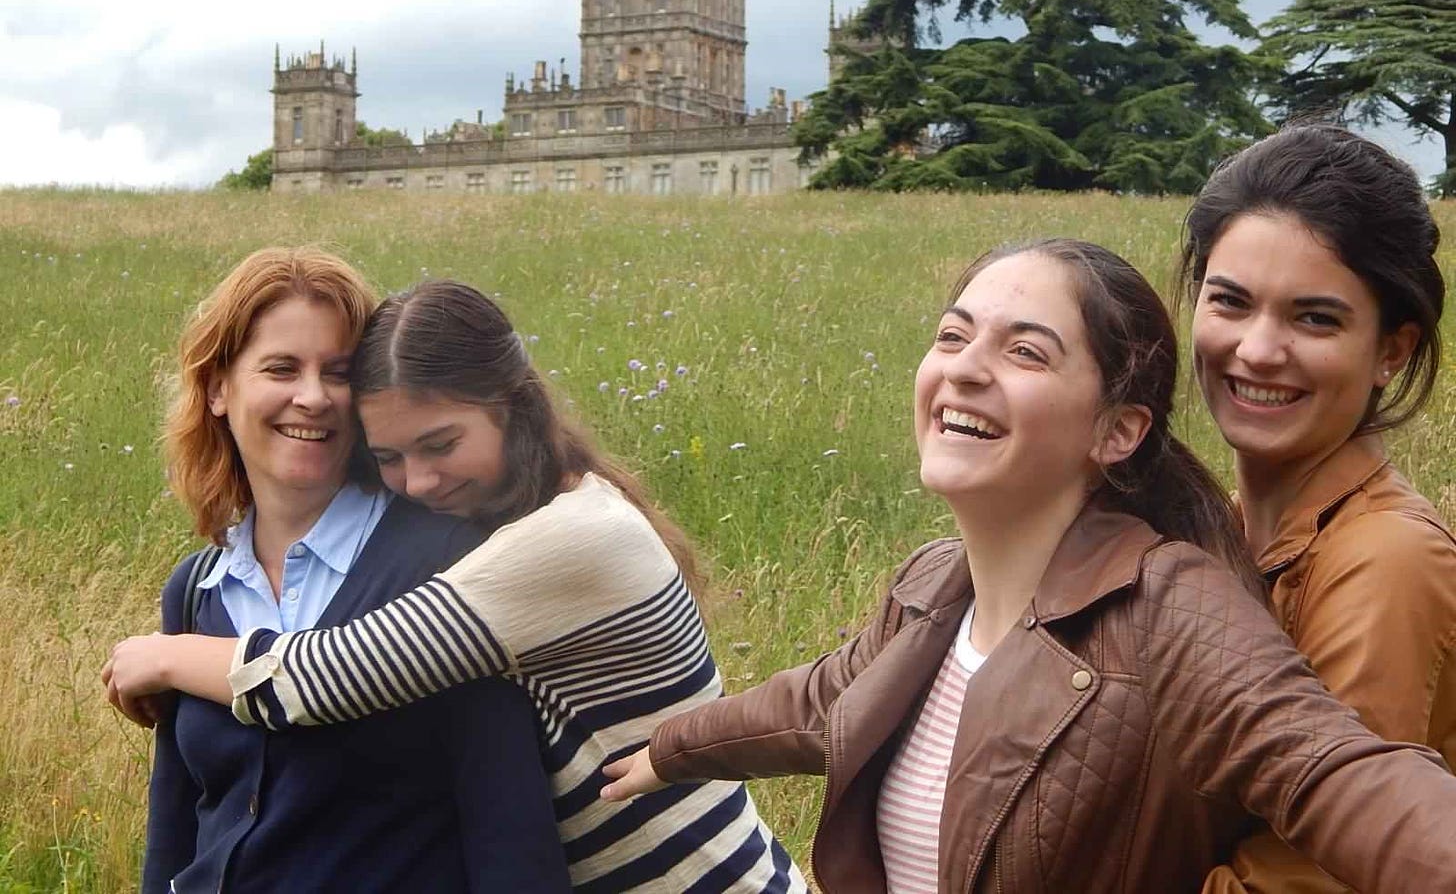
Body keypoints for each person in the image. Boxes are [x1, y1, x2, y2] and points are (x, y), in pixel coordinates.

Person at [598, 239, 1456, 893]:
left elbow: (1330, 768)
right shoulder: (934, 585)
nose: (965, 370)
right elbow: (829, 696)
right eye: (953, 336)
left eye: (1025, 352)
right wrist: (670, 750)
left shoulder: (1169, 599)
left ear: (1117, 430)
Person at [105, 279, 807, 893]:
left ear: (513, 404)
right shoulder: (200, 585)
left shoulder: (553, 542)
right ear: (217, 389)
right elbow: (183, 812)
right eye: (391, 457)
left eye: (440, 444)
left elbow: (318, 677)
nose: (420, 482)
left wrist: (162, 656)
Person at [110, 249, 567, 894]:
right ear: (218, 388)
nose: (313, 397)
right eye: (281, 368)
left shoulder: (449, 562)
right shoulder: (194, 591)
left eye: (340, 372)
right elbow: (178, 824)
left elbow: (509, 830)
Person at [1179, 124, 1456, 894]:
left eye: (1315, 318)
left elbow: (1311, 877)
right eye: (1230, 301)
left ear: (1392, 350)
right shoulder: (1220, 529)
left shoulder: (1385, 560)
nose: (1259, 350)